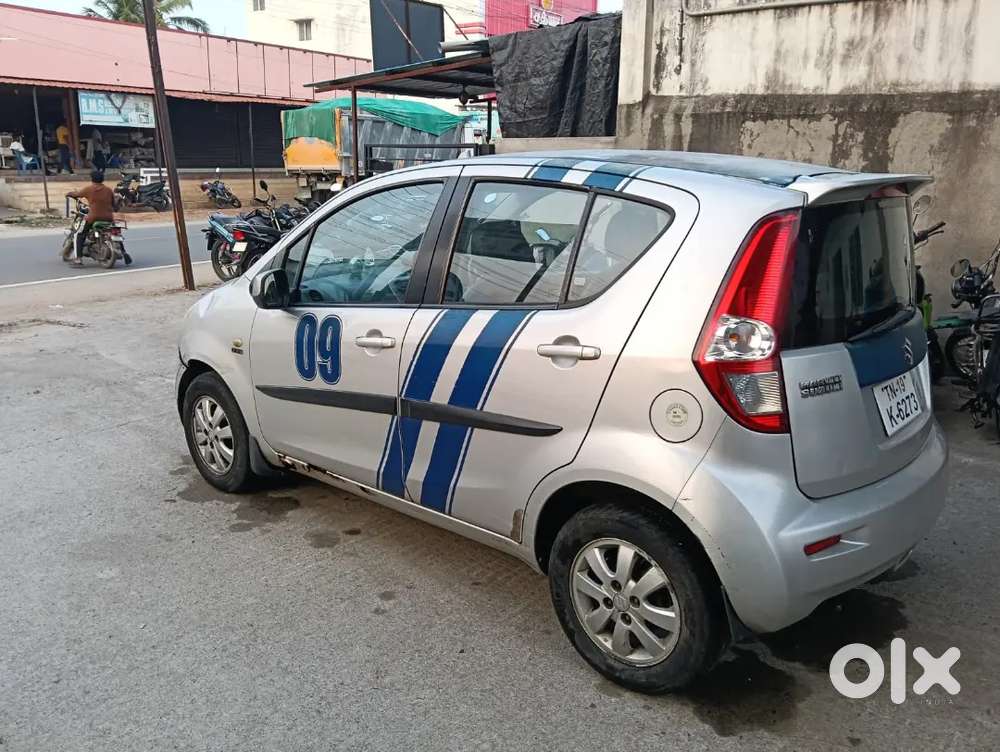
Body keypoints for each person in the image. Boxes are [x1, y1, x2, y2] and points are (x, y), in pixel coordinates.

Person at [65, 170, 114, 267]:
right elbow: (114, 204)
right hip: (109, 217)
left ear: (92, 179)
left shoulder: (89, 189)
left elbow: (76, 194)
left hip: (94, 217)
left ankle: (78, 259)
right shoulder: (108, 190)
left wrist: (69, 193)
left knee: (79, 234)